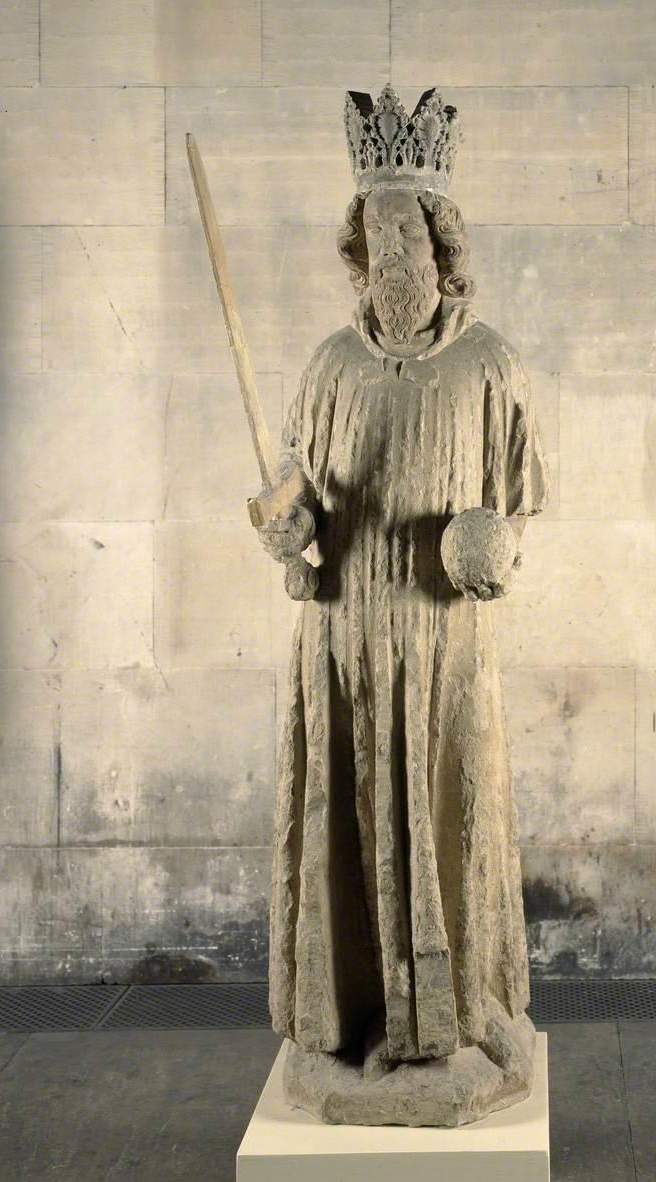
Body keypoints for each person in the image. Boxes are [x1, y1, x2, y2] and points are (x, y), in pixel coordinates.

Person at [254, 85, 550, 1126]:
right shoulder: (328, 367)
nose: (392, 257)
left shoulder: (488, 365)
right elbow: (299, 505)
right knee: (351, 825)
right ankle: (355, 1024)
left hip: (441, 643)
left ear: (442, 247)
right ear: (356, 251)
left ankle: (459, 1020)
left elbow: (523, 508)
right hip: (341, 641)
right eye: (376, 235)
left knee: (447, 816)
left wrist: (493, 545)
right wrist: (289, 531)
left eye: (408, 235)